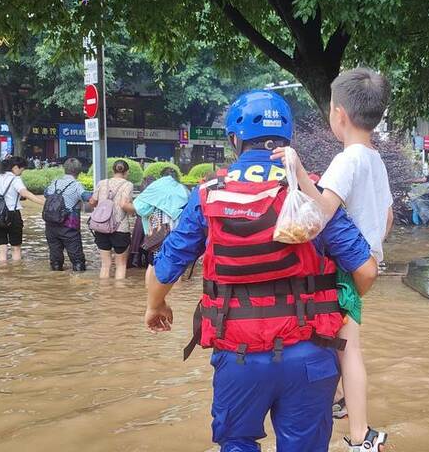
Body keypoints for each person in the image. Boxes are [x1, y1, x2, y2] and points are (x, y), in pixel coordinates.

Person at [144, 90, 378, 452]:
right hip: (310, 353)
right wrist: (337, 303)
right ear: (288, 138)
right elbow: (365, 270)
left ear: (235, 139)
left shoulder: (209, 192)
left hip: (239, 355)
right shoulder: (310, 191)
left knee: (237, 443)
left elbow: (164, 271)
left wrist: (155, 306)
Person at [271, 67, 392, 451]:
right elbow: (387, 215)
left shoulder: (348, 159)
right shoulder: (375, 158)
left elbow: (323, 209)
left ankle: (361, 435)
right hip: (366, 261)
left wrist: (297, 168)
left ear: (339, 114)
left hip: (344, 266)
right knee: (340, 339)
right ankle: (343, 402)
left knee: (349, 347)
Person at [0, 156, 46, 262]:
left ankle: (1, 274)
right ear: (15, 167)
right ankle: (16, 273)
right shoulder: (15, 179)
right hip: (12, 215)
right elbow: (24, 193)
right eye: (22, 170)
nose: (21, 173)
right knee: (16, 248)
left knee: (1, 248)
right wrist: (43, 202)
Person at [132, 167, 189, 266]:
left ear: (161, 176)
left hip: (157, 232)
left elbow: (141, 208)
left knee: (154, 264)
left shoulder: (155, 188)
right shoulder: (184, 190)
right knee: (176, 265)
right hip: (178, 234)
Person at [43, 158, 92, 271]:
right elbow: (88, 198)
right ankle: (79, 284)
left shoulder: (55, 182)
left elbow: (46, 194)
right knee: (77, 260)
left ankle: (57, 281)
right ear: (79, 171)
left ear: (64, 169)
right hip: (69, 227)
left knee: (55, 259)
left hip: (51, 226)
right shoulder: (76, 185)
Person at [89, 159, 134, 279]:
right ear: (127, 172)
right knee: (121, 265)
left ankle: (104, 294)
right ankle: (119, 295)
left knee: (105, 265)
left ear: (113, 170)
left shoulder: (102, 183)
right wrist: (134, 211)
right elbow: (124, 204)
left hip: (101, 227)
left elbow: (92, 202)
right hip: (120, 228)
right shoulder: (128, 185)